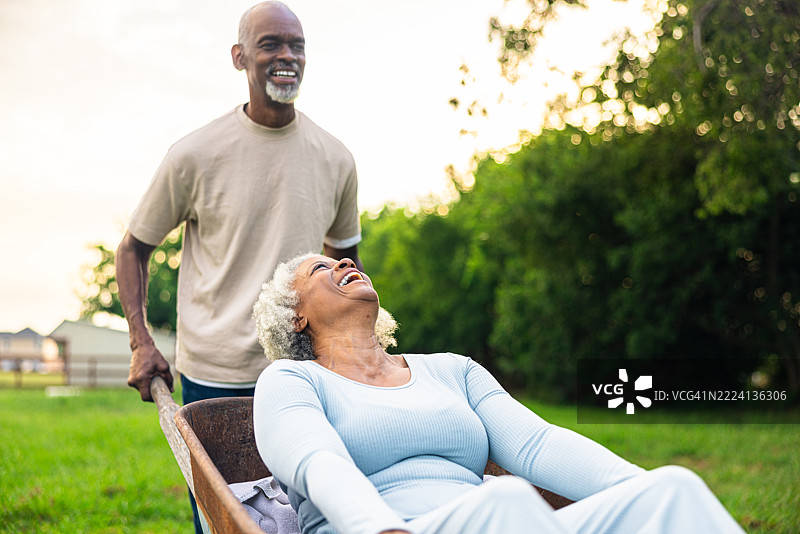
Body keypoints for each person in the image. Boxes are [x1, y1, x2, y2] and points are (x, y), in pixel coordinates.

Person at [250, 252, 746, 534]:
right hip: (387, 528)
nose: (343, 261)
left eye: (342, 259)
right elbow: (319, 463)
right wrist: (382, 529)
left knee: (672, 488)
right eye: (320, 269)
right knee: (507, 501)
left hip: (494, 522)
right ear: (296, 316)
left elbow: (537, 444)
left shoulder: (452, 370)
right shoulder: (291, 382)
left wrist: (638, 491)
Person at [115, 2, 362, 531]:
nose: (286, 56)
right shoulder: (195, 155)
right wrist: (141, 340)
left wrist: (358, 349)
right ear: (239, 57)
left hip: (304, 371)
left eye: (296, 45)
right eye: (271, 43)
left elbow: (346, 262)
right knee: (225, 520)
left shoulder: (335, 158)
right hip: (215, 377)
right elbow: (133, 247)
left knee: (308, 516)